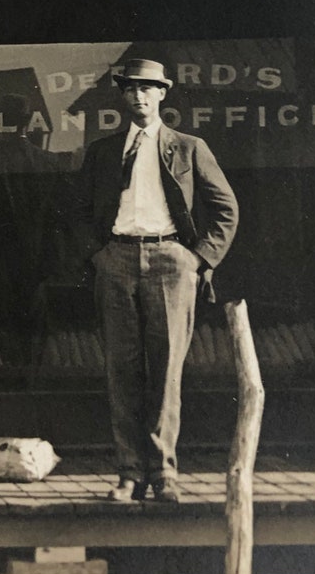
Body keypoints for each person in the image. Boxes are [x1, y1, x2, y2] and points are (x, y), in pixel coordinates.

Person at [77, 58, 238, 504]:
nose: (139, 96)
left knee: (166, 372)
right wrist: (99, 255)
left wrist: (197, 259)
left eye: (148, 88)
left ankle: (164, 472)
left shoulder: (188, 147)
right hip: (118, 259)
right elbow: (78, 212)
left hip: (171, 262)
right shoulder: (103, 152)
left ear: (162, 94)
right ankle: (129, 473)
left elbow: (226, 208)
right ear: (123, 96)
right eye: (131, 89)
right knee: (122, 369)